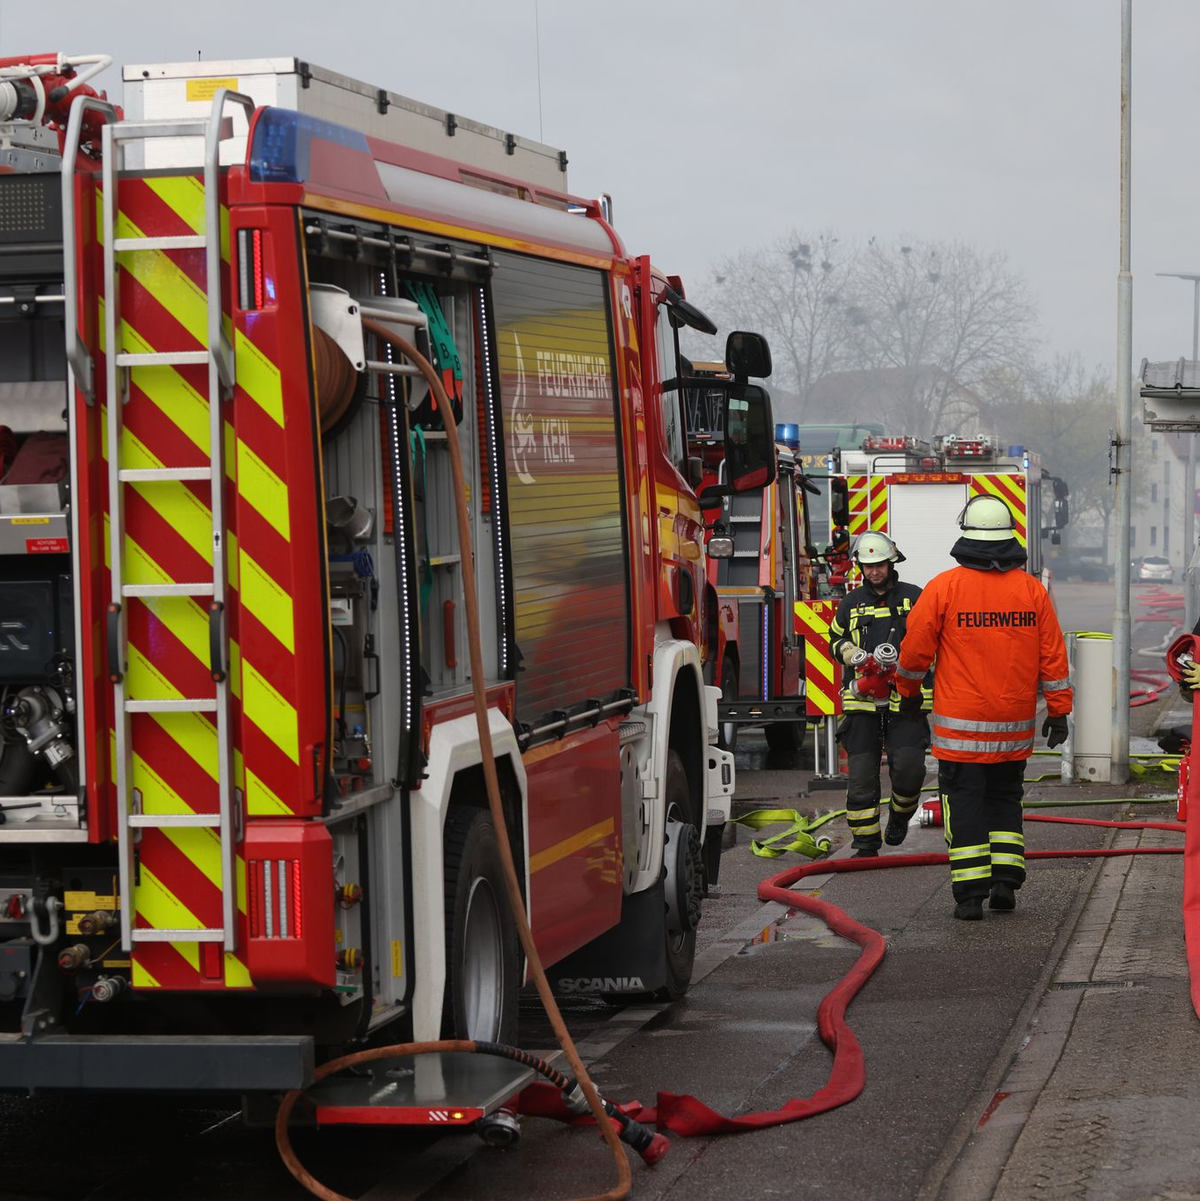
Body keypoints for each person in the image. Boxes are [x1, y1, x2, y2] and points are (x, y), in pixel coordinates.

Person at [894, 495, 1072, 920]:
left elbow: (914, 652)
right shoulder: (1031, 590)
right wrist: (1060, 710)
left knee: (965, 803)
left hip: (962, 733)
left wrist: (908, 693)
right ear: (1009, 537)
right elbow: (1053, 655)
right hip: (1013, 728)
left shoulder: (943, 588)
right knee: (1006, 799)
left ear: (967, 536)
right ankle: (1005, 882)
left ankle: (970, 895)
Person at [828, 532, 930, 857]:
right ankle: (865, 843)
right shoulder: (851, 602)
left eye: (880, 565)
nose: (874, 572)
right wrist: (850, 653)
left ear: (892, 562)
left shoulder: (915, 597)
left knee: (911, 768)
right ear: (861, 566)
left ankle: (900, 816)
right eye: (868, 566)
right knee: (860, 775)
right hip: (863, 701)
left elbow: (933, 639)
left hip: (907, 700)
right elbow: (834, 638)